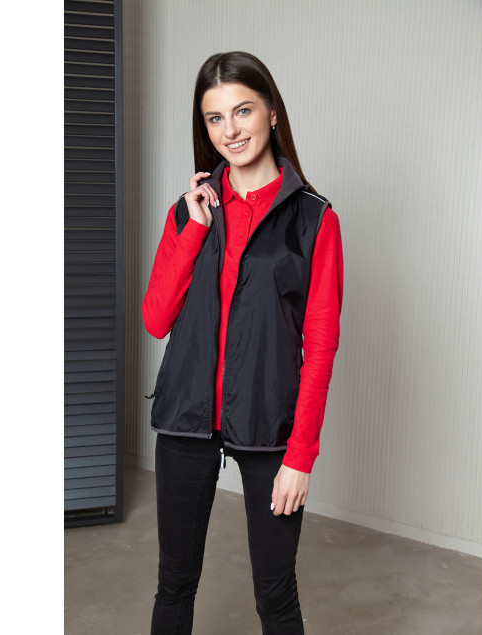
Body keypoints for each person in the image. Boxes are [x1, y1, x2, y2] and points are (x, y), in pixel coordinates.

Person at [142, 51, 344, 635]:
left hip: (269, 424)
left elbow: (321, 346)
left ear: (272, 112)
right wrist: (194, 229)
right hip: (185, 419)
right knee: (174, 584)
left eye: (243, 110)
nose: (230, 130)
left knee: (276, 598)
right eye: (215, 118)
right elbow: (156, 319)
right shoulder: (191, 211)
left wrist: (300, 457)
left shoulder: (314, 220)